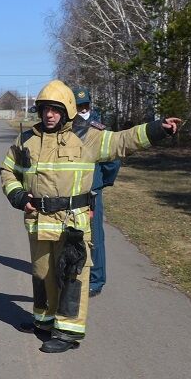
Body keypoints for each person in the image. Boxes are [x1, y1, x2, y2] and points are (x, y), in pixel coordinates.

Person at [0, 80, 181, 353]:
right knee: (42, 274)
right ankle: (44, 323)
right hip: (39, 222)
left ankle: (67, 333)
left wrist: (157, 129)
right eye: (45, 109)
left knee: (72, 277)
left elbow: (122, 141)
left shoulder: (87, 136)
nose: (49, 114)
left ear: (68, 110)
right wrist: (18, 196)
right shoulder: (27, 139)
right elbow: (7, 170)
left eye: (55, 109)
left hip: (72, 223)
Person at [72, 87, 119, 297]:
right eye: (78, 107)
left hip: (92, 190)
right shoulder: (68, 127)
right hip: (71, 190)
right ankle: (74, 270)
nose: (82, 110)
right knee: (72, 234)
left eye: (85, 106)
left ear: (90, 106)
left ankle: (96, 279)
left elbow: (112, 160)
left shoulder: (99, 129)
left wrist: (101, 183)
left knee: (95, 236)